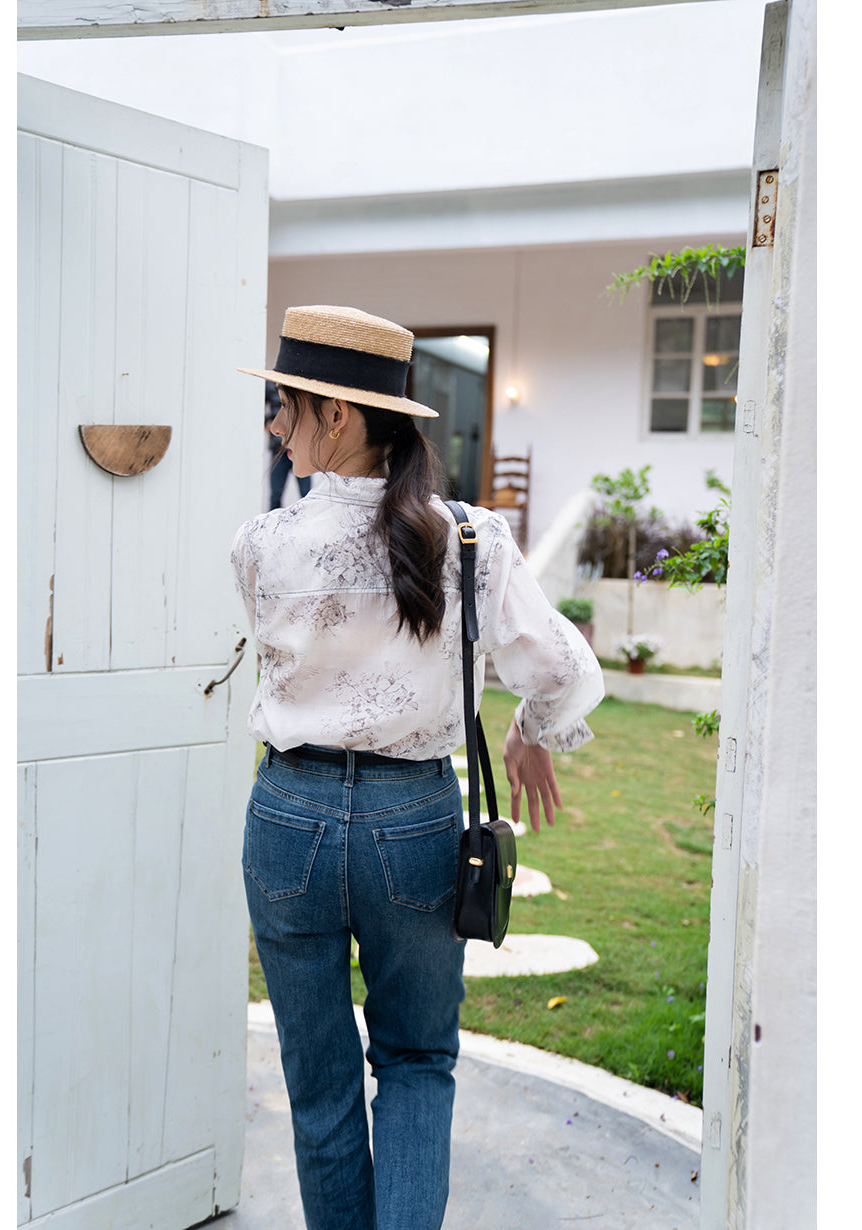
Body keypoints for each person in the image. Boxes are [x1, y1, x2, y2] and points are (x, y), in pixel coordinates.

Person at [231, 305, 604, 1230]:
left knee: (317, 1086)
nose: (275, 424)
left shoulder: (260, 546)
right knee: (416, 1065)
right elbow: (560, 669)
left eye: (286, 404)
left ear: (341, 417)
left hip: (287, 821)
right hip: (414, 826)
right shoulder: (472, 541)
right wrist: (530, 730)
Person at [265, 378, 312, 509]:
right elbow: (257, 407)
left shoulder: (300, 381)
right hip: (277, 448)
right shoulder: (269, 384)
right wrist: (267, 423)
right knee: (275, 495)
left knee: (307, 494)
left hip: (300, 445)